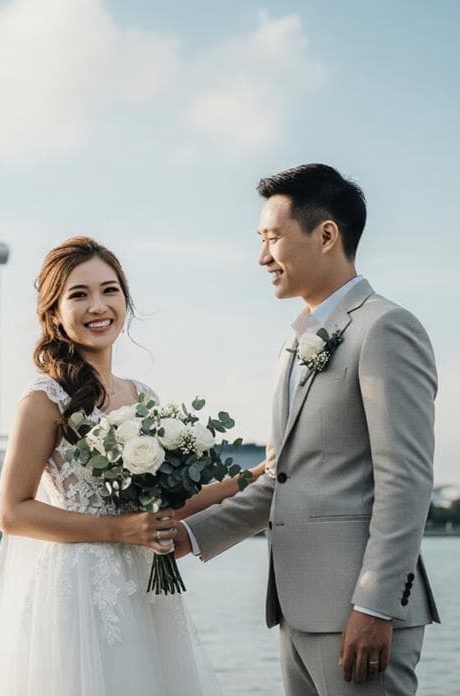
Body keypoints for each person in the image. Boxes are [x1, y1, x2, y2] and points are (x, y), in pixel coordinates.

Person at [0, 236, 258, 696]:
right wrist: (121, 530)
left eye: (109, 290)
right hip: (76, 591)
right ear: (54, 313)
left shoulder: (143, 397)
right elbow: (11, 513)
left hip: (142, 585)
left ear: (126, 299)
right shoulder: (44, 399)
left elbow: (171, 502)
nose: (98, 305)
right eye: (79, 294)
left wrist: (250, 478)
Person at [176, 164, 441, 695]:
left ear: (326, 235)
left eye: (272, 238)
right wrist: (183, 537)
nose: (261, 257)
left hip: (358, 616)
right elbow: (283, 479)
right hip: (296, 610)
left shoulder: (385, 327)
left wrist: (373, 604)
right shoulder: (295, 345)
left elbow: (405, 479)